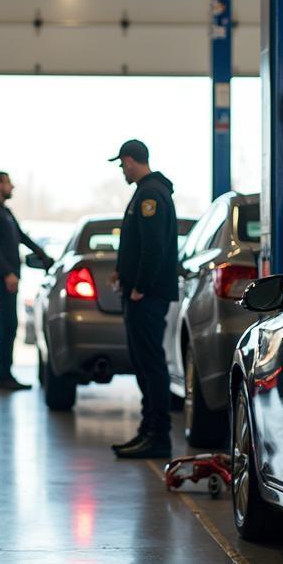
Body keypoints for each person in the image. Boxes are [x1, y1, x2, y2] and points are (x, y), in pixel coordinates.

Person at [108, 139, 179, 459]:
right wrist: (123, 274)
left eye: (123, 164)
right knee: (143, 362)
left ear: (132, 160)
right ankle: (147, 430)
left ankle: (157, 436)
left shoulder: (150, 194)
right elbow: (140, 245)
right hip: (142, 292)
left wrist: (139, 286)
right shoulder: (147, 191)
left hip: (146, 296)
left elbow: (153, 247)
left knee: (150, 364)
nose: (122, 170)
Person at [0, 171, 50, 392]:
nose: (12, 187)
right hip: (1, 279)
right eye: (8, 183)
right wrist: (7, 273)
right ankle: (3, 376)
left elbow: (22, 237)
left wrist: (44, 256)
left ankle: (6, 374)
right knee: (5, 324)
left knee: (10, 325)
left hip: (9, 278)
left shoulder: (4, 212)